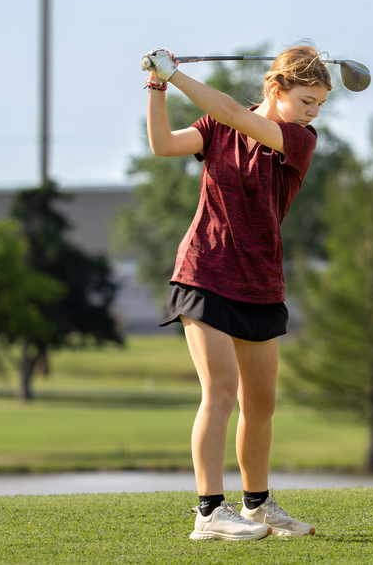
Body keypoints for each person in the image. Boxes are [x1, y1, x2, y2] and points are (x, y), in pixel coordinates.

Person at [142, 45, 331, 541]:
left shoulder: (299, 140)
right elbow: (162, 145)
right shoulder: (217, 128)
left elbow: (228, 110)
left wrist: (176, 73)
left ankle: (258, 507)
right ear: (276, 89)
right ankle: (209, 513)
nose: (314, 114)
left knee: (261, 404)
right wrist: (159, 87)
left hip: (260, 281)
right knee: (221, 390)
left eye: (319, 105)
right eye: (307, 100)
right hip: (204, 270)